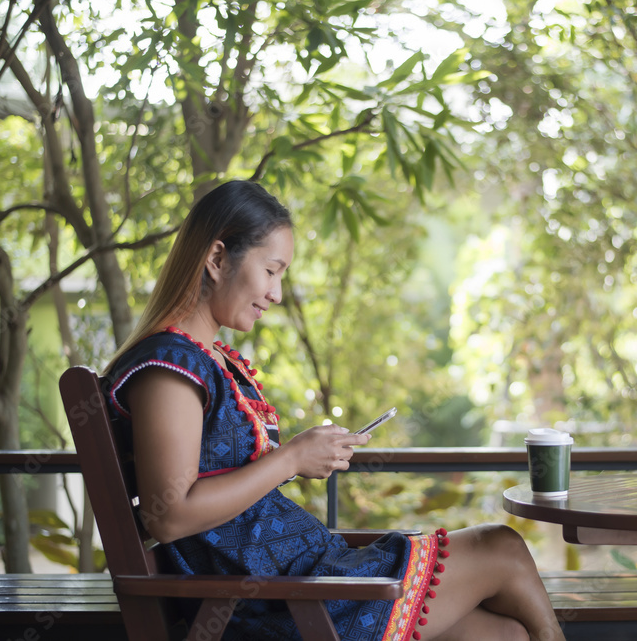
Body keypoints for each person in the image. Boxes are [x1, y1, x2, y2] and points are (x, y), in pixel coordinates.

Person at [103, 180, 566, 641]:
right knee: (501, 547)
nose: (276, 293)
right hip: (278, 604)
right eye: (271, 270)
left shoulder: (209, 361)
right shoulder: (170, 367)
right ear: (218, 259)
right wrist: (290, 458)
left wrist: (301, 457)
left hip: (304, 579)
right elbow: (169, 516)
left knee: (503, 634)